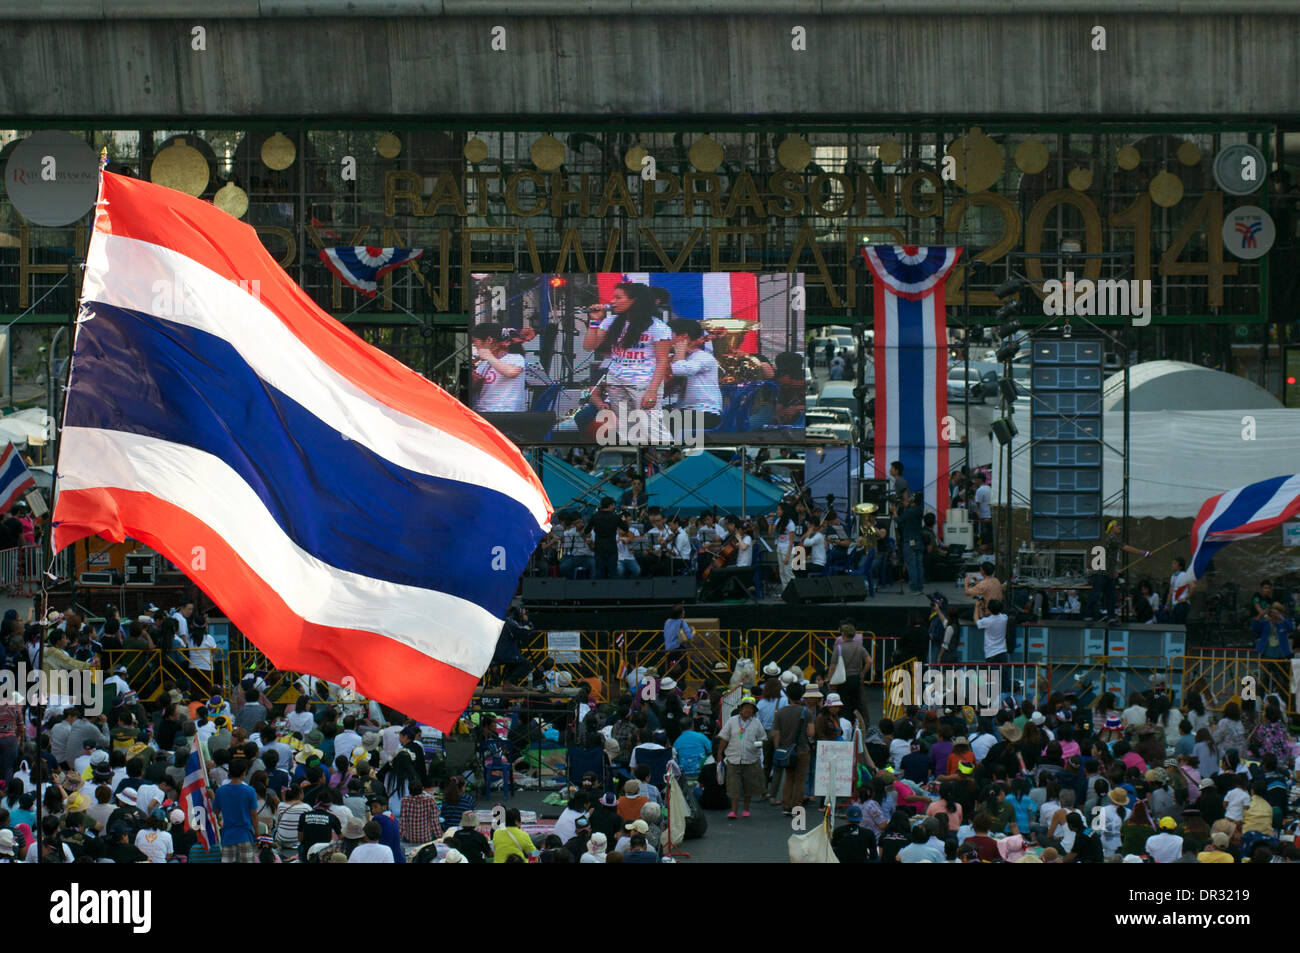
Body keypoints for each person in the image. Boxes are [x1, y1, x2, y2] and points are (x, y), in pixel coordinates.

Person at [584, 282, 673, 439]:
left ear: (635, 300)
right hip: (616, 380)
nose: (613, 302)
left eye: (618, 298)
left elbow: (662, 361)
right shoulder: (611, 322)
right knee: (628, 428)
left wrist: (652, 391)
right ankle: (636, 460)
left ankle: (672, 458)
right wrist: (594, 321)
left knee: (652, 428)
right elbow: (589, 346)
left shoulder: (657, 327)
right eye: (613, 297)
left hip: (643, 383)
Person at [1084, 521, 1149, 621]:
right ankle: (1089, 615)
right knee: (1097, 594)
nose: (1120, 527)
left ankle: (1111, 617)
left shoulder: (1111, 539)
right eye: (1117, 525)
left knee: (1110, 596)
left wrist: (1114, 571)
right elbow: (1125, 547)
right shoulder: (1112, 538)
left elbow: (1110, 558)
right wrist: (1143, 552)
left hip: (1108, 573)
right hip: (1101, 572)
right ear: (1111, 528)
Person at [666, 318, 723, 429]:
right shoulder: (681, 358)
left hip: (705, 413)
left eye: (669, 334)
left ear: (683, 337)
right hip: (683, 411)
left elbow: (679, 370)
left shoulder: (703, 357)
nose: (665, 339)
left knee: (657, 421)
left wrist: (679, 351)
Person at [717, 695, 767, 819]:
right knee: (733, 785)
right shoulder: (732, 721)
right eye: (746, 708)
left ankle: (746, 809)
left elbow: (763, 738)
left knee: (748, 785)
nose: (748, 710)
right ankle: (734, 811)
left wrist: (759, 745)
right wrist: (719, 753)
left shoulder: (756, 723)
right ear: (741, 709)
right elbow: (724, 738)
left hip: (750, 758)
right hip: (733, 758)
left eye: (751, 709)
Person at [472, 323, 527, 413]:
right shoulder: (484, 364)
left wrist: (488, 356)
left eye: (475, 341)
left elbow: (511, 372)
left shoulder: (515, 358)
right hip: (484, 410)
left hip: (506, 412)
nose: (474, 345)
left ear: (489, 340)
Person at [212, 759, 259, 863]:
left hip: (228, 836)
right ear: (243, 773)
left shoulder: (221, 791)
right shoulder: (250, 791)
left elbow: (215, 811)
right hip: (245, 835)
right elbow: (254, 816)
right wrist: (257, 834)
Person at [588, 496, 628, 581]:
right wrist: (624, 520)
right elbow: (625, 528)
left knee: (599, 572)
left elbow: (587, 530)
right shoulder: (615, 517)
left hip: (599, 547)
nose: (613, 507)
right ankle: (613, 592)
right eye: (613, 505)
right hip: (611, 548)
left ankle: (599, 591)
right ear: (610, 506)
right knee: (613, 572)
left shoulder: (595, 516)